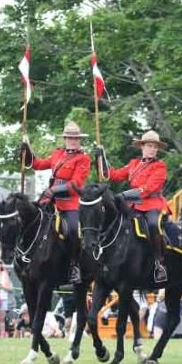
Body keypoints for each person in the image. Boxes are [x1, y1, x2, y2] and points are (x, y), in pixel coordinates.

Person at [21, 121, 91, 284]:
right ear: (65, 138)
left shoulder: (83, 159)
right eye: (70, 137)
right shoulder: (57, 154)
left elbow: (76, 184)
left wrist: (54, 190)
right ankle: (25, 257)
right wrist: (27, 152)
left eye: (76, 138)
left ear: (79, 140)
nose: (73, 140)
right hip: (49, 200)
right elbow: (38, 165)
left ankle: (74, 265)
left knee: (73, 230)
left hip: (69, 202)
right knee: (30, 222)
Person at [96, 130, 169, 283]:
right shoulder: (133, 164)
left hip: (152, 204)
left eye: (155, 147)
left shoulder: (160, 166)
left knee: (153, 225)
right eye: (150, 146)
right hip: (133, 205)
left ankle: (159, 263)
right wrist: (102, 157)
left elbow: (149, 188)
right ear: (142, 147)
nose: (153, 149)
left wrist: (125, 195)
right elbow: (113, 175)